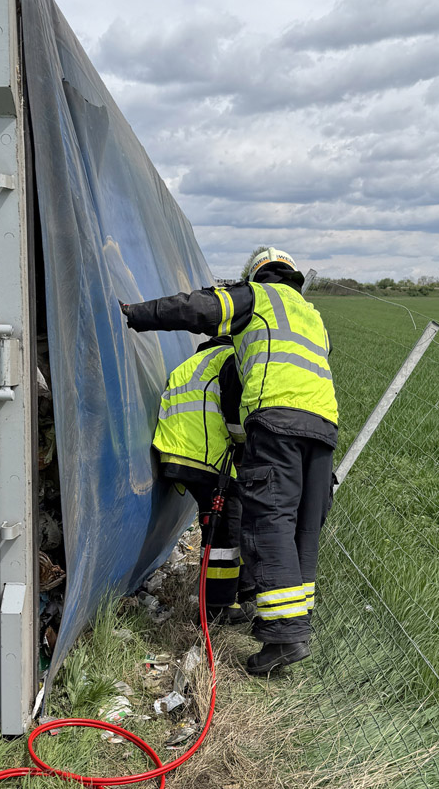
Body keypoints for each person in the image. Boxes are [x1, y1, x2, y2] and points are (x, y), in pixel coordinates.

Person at [123, 247, 337, 674]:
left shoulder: (259, 297)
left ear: (257, 274)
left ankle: (283, 635)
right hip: (323, 425)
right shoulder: (313, 316)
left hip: (275, 420)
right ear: (294, 275)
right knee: (303, 525)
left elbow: (200, 308)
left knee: (269, 520)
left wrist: (137, 314)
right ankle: (296, 625)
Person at [152, 335, 250, 623]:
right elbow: (234, 416)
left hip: (178, 449)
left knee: (222, 521)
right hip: (204, 454)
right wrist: (243, 448)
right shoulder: (230, 358)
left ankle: (234, 592)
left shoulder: (196, 361)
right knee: (225, 527)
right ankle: (217, 607)